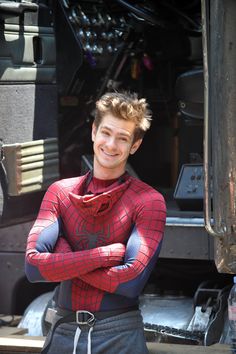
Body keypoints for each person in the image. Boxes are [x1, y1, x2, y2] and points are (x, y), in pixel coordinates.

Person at [25, 91, 166, 354]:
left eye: (123, 138)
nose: (111, 145)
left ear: (134, 145)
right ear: (93, 131)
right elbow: (33, 267)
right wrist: (104, 254)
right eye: (106, 133)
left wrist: (65, 257)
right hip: (64, 331)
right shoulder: (60, 192)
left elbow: (129, 282)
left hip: (120, 335)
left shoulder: (149, 200)